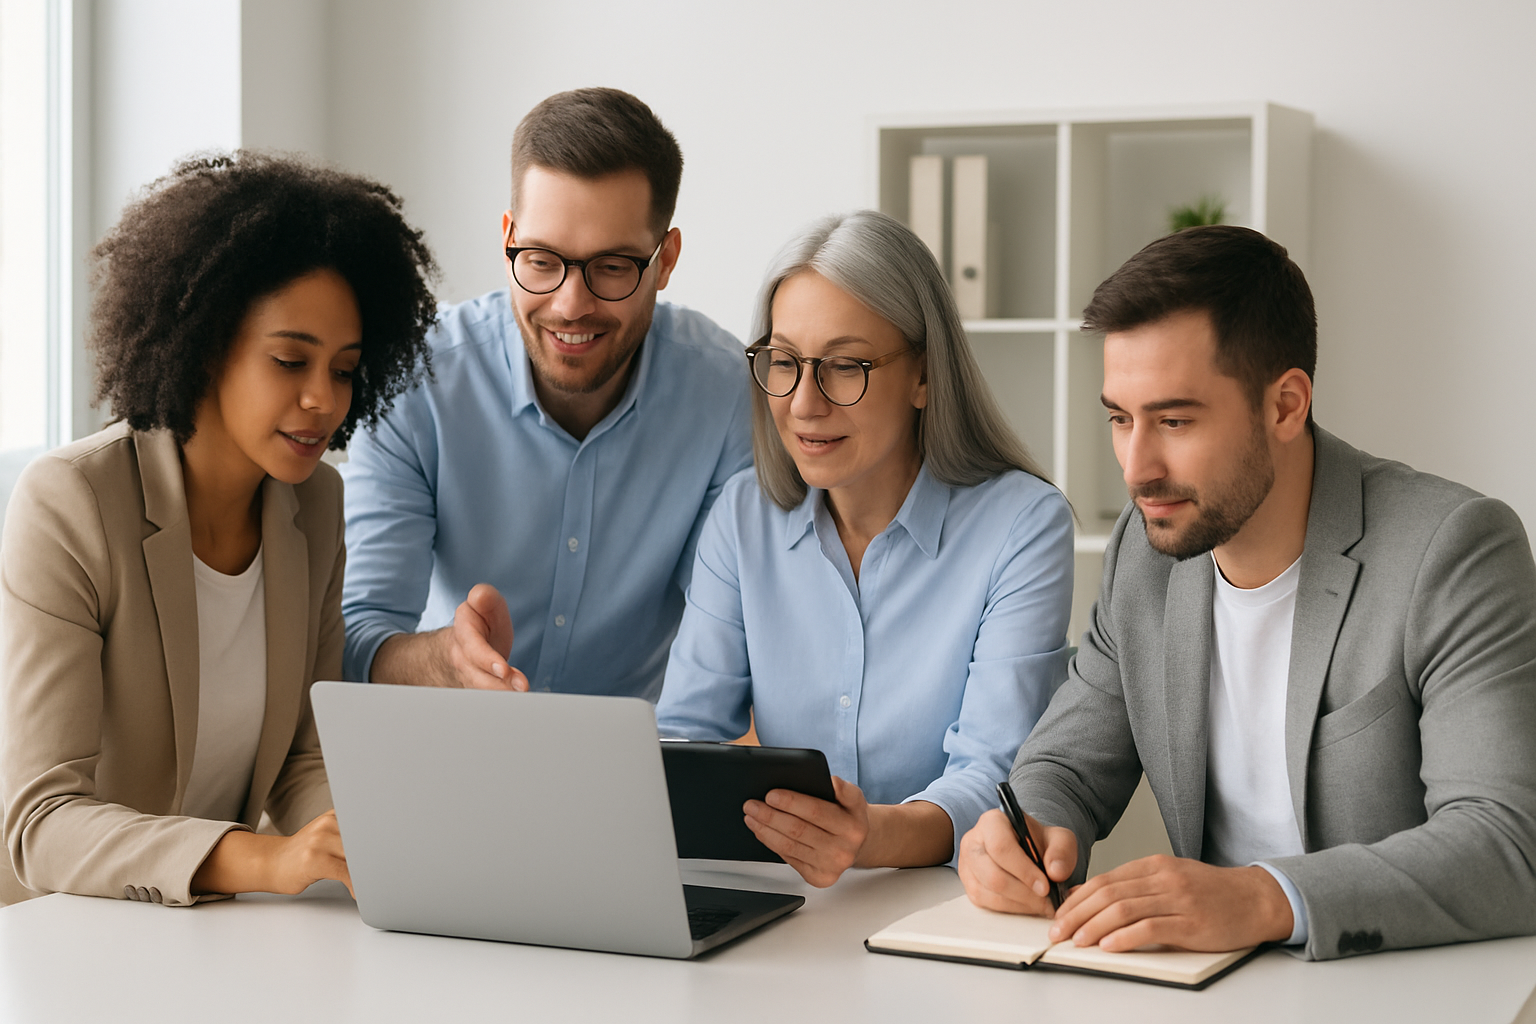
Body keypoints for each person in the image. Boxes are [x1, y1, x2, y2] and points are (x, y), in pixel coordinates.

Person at [957, 225, 1536, 960]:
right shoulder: (1145, 550)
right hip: (1205, 986)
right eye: (1120, 420)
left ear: (1286, 405)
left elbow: (1507, 842)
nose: (1136, 469)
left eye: (1174, 420)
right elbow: (1065, 765)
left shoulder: (1452, 549)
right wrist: (1027, 834)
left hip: (1392, 984)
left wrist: (1264, 897)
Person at [0, 152, 438, 906]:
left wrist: (386, 844)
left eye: (343, 370)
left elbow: (302, 758)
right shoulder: (71, 502)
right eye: (290, 361)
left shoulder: (316, 505)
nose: (323, 399)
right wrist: (268, 861)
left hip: (209, 931)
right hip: (60, 927)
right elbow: (43, 819)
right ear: (205, 346)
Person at [655, 210, 1075, 887]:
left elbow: (996, 776)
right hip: (793, 904)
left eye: (844, 366)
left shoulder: (1022, 524)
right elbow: (681, 739)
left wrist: (868, 838)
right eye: (784, 362)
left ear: (924, 375)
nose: (804, 404)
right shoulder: (742, 516)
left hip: (950, 907)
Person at [341, 88, 751, 696]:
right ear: (508, 238)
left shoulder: (727, 395)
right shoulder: (415, 381)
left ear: (665, 260)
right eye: (540, 259)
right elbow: (356, 639)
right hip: (451, 732)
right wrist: (446, 663)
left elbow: (727, 634)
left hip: (640, 745)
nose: (569, 305)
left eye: (612, 266)